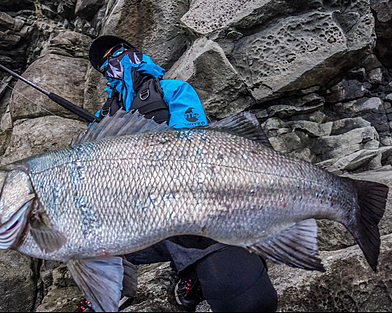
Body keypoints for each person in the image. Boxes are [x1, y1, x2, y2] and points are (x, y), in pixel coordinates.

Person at [76, 35, 278, 312]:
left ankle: (193, 272)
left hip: (187, 202)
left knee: (250, 303)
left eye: (118, 53)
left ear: (134, 53)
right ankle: (112, 291)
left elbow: (193, 143)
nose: (113, 63)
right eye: (105, 64)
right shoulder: (106, 116)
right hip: (135, 211)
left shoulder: (173, 90)